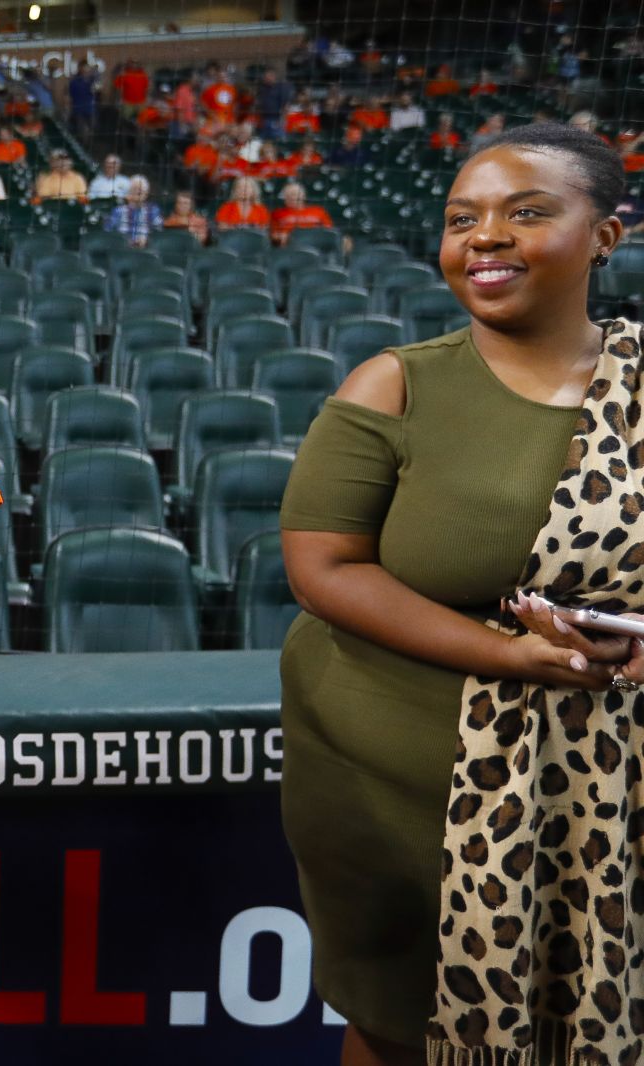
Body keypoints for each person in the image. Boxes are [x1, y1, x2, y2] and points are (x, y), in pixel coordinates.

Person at [281, 123, 636, 1066]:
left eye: (527, 213)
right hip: (404, 790)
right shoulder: (395, 384)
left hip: (615, 784)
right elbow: (324, 569)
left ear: (605, 235)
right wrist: (509, 655)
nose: (484, 236)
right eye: (460, 218)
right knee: (406, 1023)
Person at [104, 176, 164, 247]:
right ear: (128, 192)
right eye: (134, 189)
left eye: (141, 189)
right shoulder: (118, 211)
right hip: (122, 250)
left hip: (146, 250)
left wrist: (147, 240)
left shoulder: (153, 210)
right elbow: (107, 231)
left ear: (146, 193)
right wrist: (122, 241)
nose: (138, 192)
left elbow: (160, 232)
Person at [270, 182, 334, 246]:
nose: (292, 197)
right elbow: (272, 235)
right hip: (290, 246)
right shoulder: (277, 213)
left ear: (303, 195)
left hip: (316, 244)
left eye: (295, 194)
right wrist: (280, 237)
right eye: (288, 195)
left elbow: (329, 231)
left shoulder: (318, 211)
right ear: (284, 198)